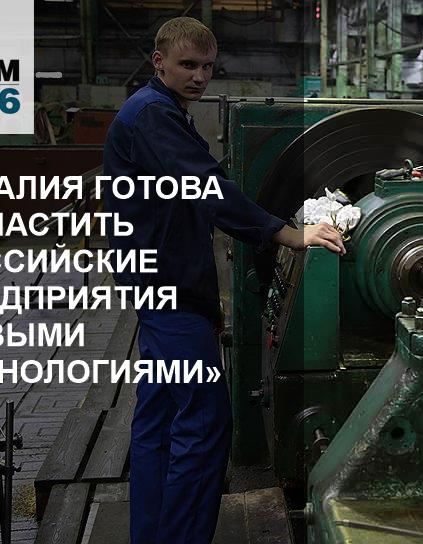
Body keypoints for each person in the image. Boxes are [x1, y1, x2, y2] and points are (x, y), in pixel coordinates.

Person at [101, 17, 344, 544]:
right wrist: (286, 233)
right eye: (188, 65)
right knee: (205, 423)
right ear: (159, 61)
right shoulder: (152, 116)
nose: (199, 76)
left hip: (163, 287)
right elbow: (206, 187)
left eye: (208, 67)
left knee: (160, 422)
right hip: (170, 293)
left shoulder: (162, 111)